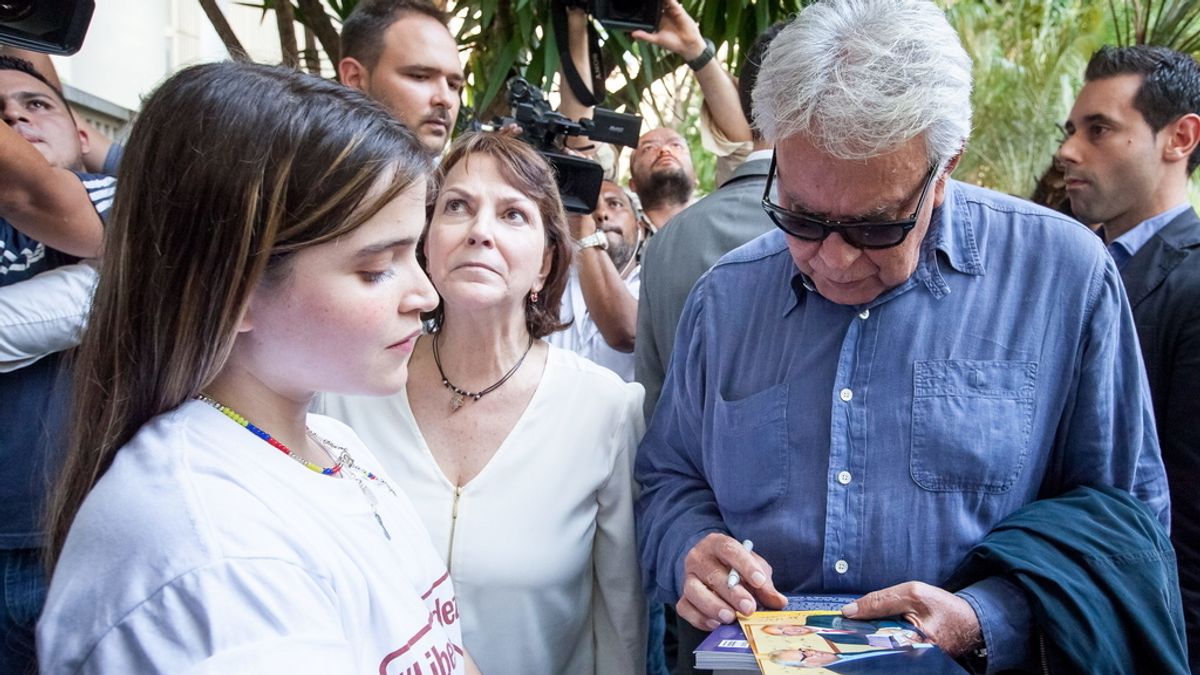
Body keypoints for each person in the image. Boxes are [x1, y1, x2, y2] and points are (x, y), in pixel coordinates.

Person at [634, 2, 1169, 674]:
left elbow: (1126, 525)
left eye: (875, 227)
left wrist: (986, 618)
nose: (832, 258)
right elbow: (667, 477)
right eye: (800, 217)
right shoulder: (726, 298)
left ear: (944, 171)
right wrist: (687, 543)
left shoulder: (1065, 279)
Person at [36, 61, 478, 675]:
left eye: (414, 253)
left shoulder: (333, 445)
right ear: (235, 290)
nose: (426, 296)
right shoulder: (213, 545)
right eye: (376, 268)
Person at [320, 133, 647, 675]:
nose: (480, 232)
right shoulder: (347, 392)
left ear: (545, 263)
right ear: (425, 242)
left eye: (513, 215)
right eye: (457, 206)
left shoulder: (604, 409)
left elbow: (620, 622)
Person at [1055, 44, 1200, 672]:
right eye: (1071, 130)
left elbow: (1188, 515)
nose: (1068, 151)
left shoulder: (1192, 287)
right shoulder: (1072, 274)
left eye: (1100, 129)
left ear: (1180, 137)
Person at [0, 54, 114, 674]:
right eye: (1, 115)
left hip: (84, 537)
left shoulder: (127, 201)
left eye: (36, 104)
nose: (17, 117)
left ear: (81, 131)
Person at [635, 23, 782, 418]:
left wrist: (697, 51)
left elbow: (654, 399)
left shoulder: (664, 245)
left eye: (675, 144)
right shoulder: (840, 228)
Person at [338, 0, 464, 154]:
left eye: (453, 85)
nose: (446, 99)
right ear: (355, 79)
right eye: (420, 76)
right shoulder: (307, 172)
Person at [549, 179, 643, 381]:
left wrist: (585, 236)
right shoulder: (547, 282)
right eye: (589, 207)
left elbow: (628, 333)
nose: (600, 214)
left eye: (615, 204)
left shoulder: (654, 286)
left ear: (640, 227)